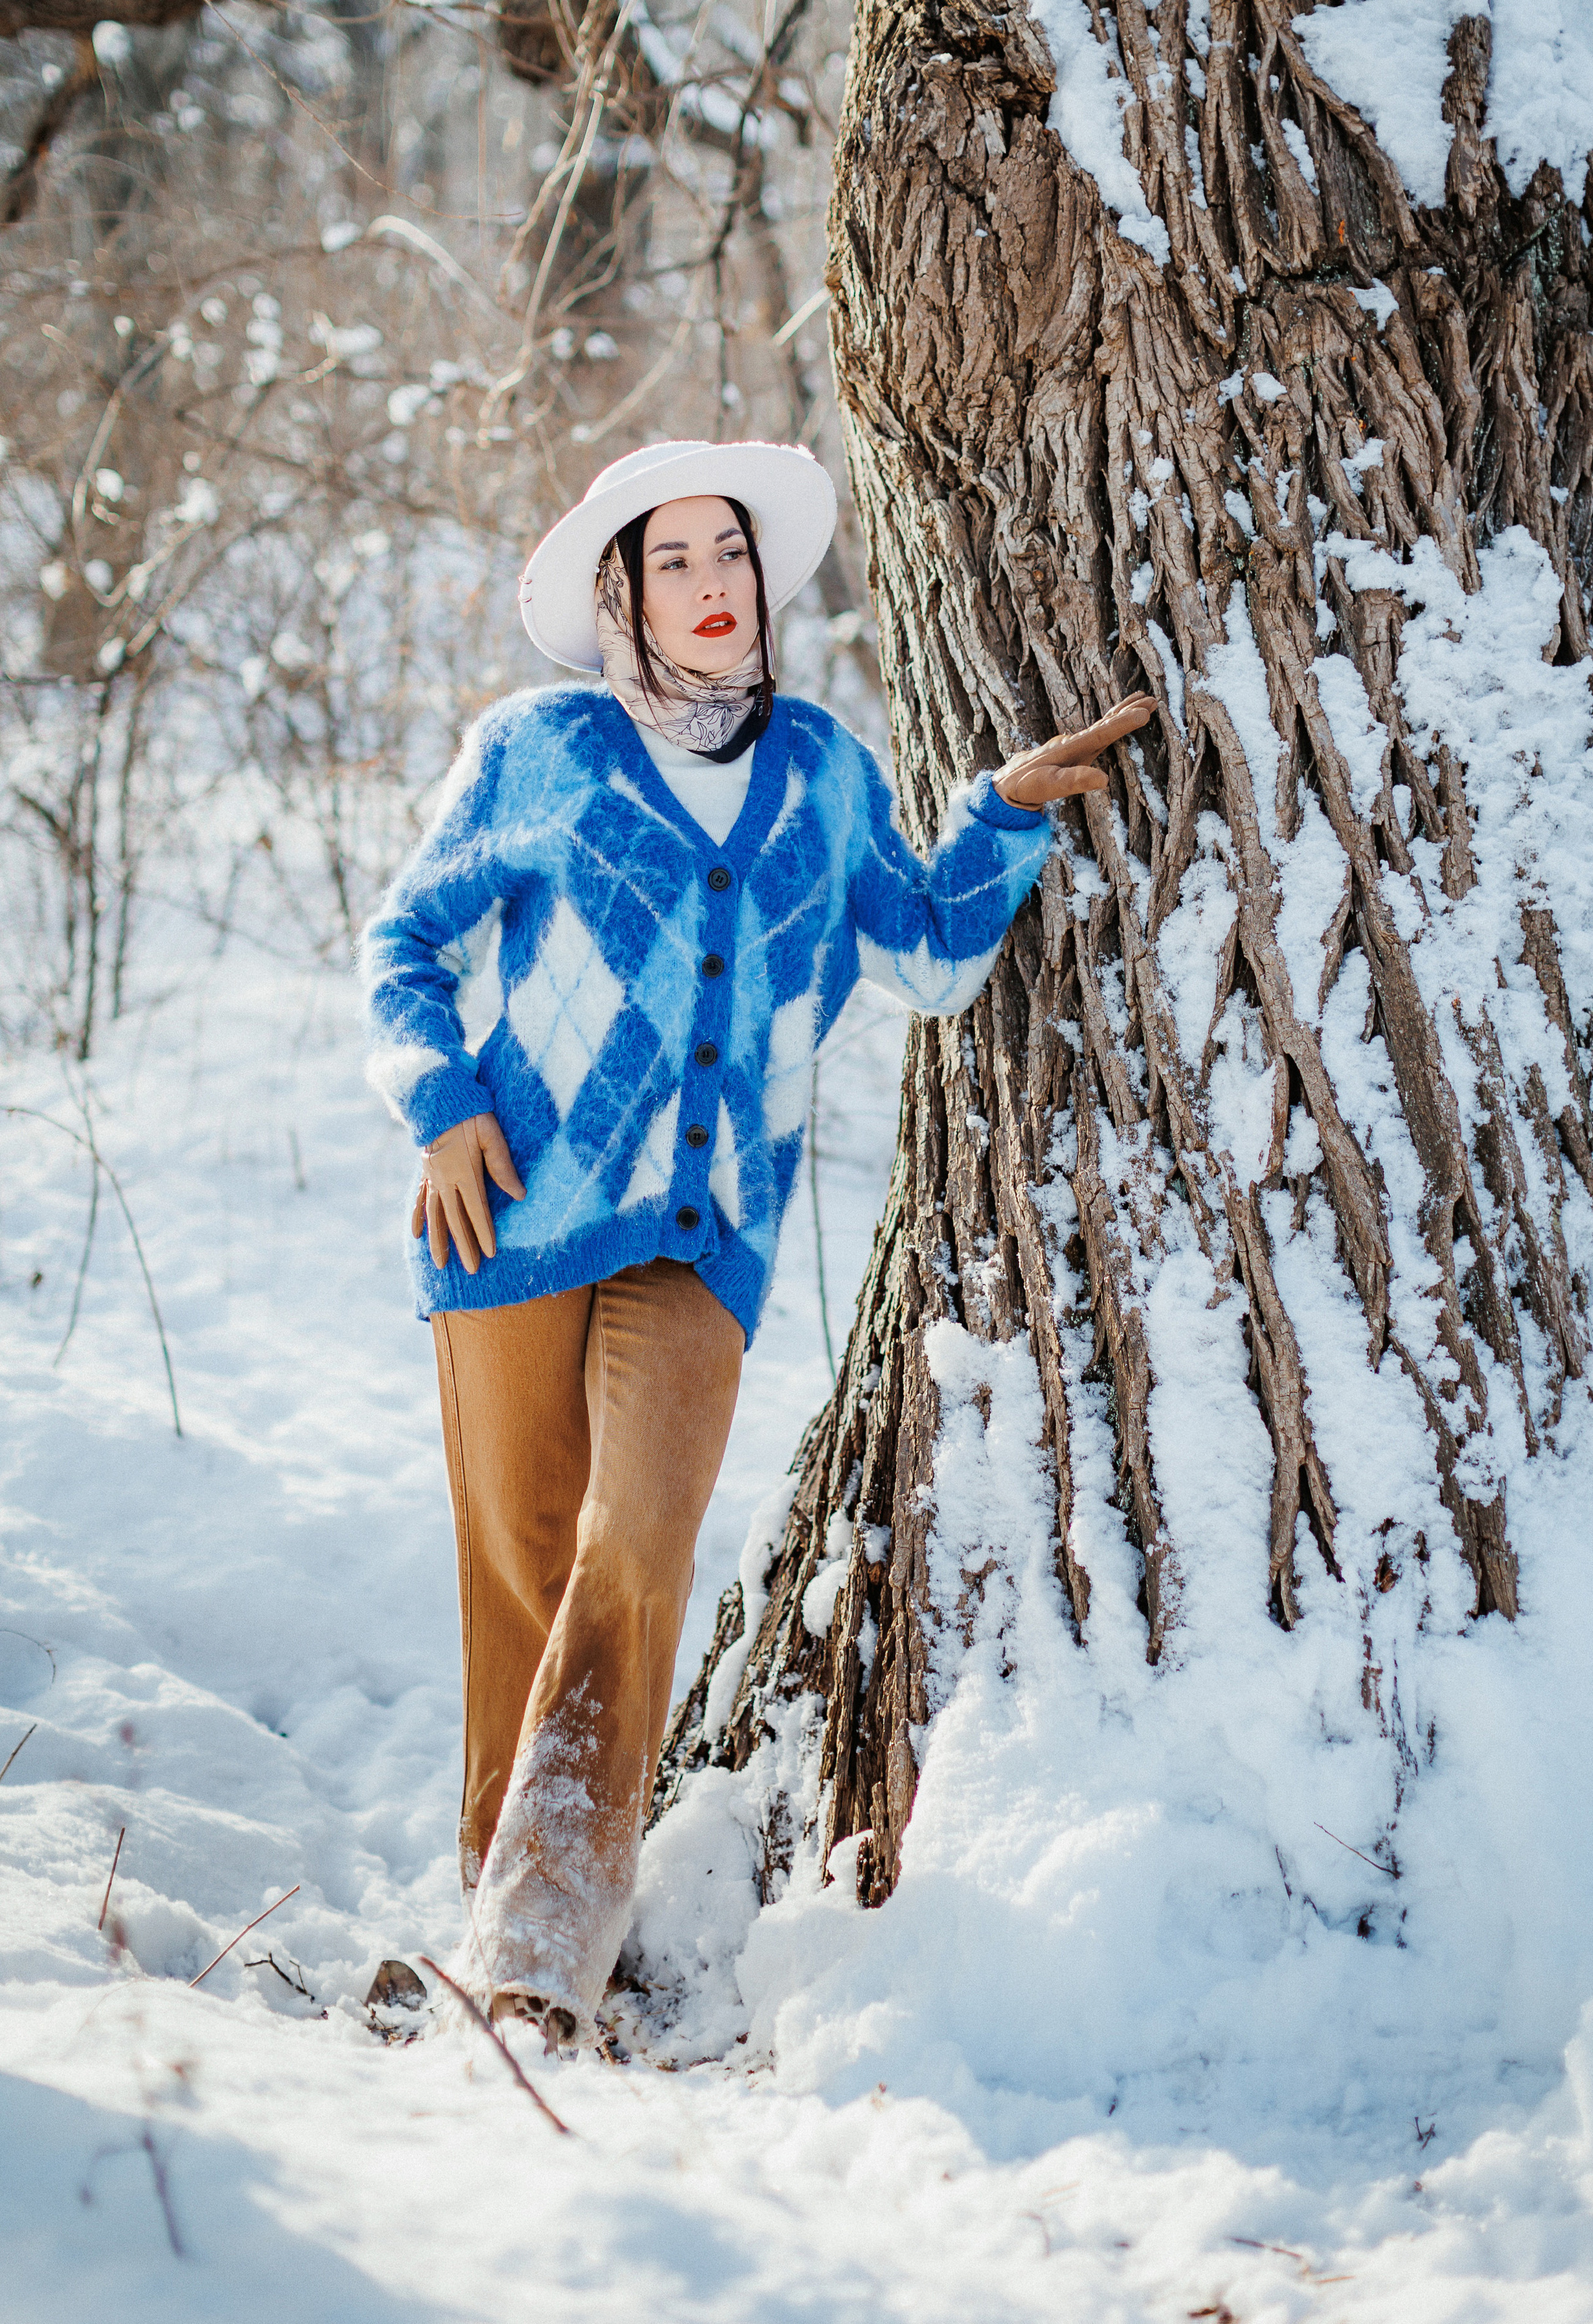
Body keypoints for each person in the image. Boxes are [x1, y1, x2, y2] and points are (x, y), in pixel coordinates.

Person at [362, 438, 1155, 2048]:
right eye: (674, 563)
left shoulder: (825, 774)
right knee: (517, 1575)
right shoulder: (538, 752)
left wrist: (999, 815)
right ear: (619, 598)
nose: (713, 586)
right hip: (504, 1214)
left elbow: (925, 959)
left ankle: (533, 1954)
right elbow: (404, 939)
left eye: (730, 555)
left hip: (705, 1242)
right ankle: (503, 1896)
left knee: (630, 1555)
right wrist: (440, 1103)